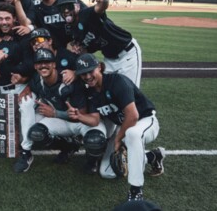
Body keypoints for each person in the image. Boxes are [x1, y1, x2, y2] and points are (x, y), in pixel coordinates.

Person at [70, 54, 165, 202]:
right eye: (83, 73)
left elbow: (133, 116)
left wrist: (118, 139)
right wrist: (79, 116)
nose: (87, 76)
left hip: (145, 120)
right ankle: (153, 156)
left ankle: (135, 192)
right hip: (124, 127)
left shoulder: (116, 81)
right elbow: (95, 120)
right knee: (107, 172)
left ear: (100, 67)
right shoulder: (91, 92)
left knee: (132, 134)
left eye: (90, 71)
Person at [13, 48, 105, 173]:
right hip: (62, 121)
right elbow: (33, 84)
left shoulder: (69, 81)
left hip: (82, 122)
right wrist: (27, 89)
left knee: (95, 140)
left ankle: (92, 161)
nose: (43, 65)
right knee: (37, 133)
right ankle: (68, 146)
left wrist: (55, 113)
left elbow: (82, 114)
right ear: (35, 66)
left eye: (47, 62)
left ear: (54, 64)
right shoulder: (37, 79)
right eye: (40, 63)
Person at [57, 0, 142, 87]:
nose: (66, 11)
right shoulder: (73, 32)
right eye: (62, 8)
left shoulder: (86, 14)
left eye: (69, 6)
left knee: (131, 91)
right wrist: (78, 49)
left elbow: (102, 6)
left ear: (77, 6)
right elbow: (86, 50)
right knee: (107, 91)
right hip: (109, 59)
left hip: (127, 53)